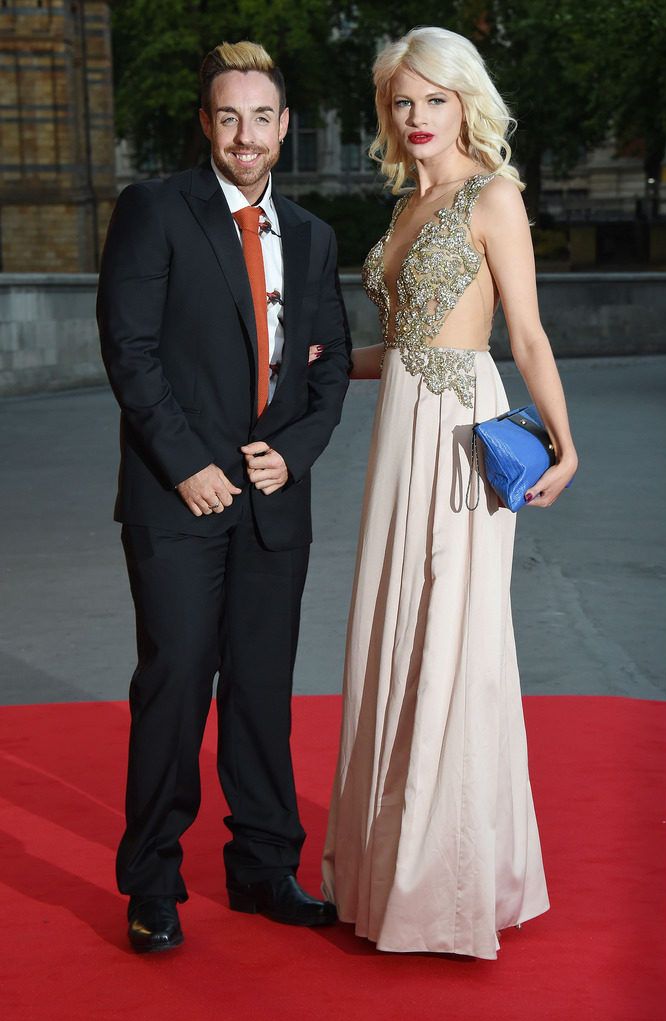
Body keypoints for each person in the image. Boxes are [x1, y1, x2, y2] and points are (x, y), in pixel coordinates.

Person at [321, 26, 578, 959]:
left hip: (466, 435)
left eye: (434, 97)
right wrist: (319, 361)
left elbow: (527, 336)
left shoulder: (492, 195)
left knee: (452, 641)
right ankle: (392, 874)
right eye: (401, 101)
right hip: (400, 435)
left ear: (465, 98)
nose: (417, 116)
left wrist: (565, 439)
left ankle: (451, 888)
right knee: (395, 634)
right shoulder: (402, 209)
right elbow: (406, 348)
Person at [97, 40, 350, 953]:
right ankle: (153, 882)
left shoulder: (316, 238)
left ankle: (263, 868)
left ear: (285, 127)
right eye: (229, 117)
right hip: (179, 502)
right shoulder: (156, 211)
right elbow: (131, 351)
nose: (247, 135)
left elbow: (328, 376)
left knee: (262, 690)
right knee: (173, 687)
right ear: (207, 123)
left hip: (275, 503)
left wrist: (297, 455)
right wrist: (184, 464)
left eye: (263, 118)